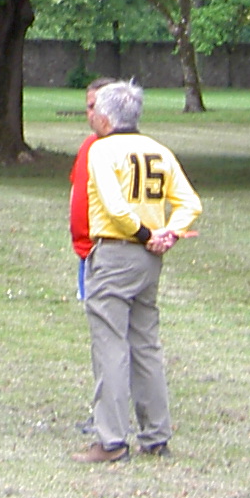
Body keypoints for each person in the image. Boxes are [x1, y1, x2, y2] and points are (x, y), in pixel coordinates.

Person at [78, 79, 201, 463]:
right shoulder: (158, 150)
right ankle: (156, 435)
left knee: (111, 344)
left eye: (95, 110)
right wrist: (170, 233)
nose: (91, 116)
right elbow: (190, 203)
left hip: (117, 252)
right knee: (146, 343)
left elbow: (114, 207)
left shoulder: (102, 150)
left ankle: (112, 440)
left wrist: (146, 234)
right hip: (149, 261)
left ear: (107, 117)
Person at [66, 79, 102, 303]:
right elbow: (77, 185)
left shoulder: (118, 149)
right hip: (84, 248)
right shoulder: (88, 145)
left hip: (103, 249)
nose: (91, 113)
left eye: (96, 106)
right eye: (89, 107)